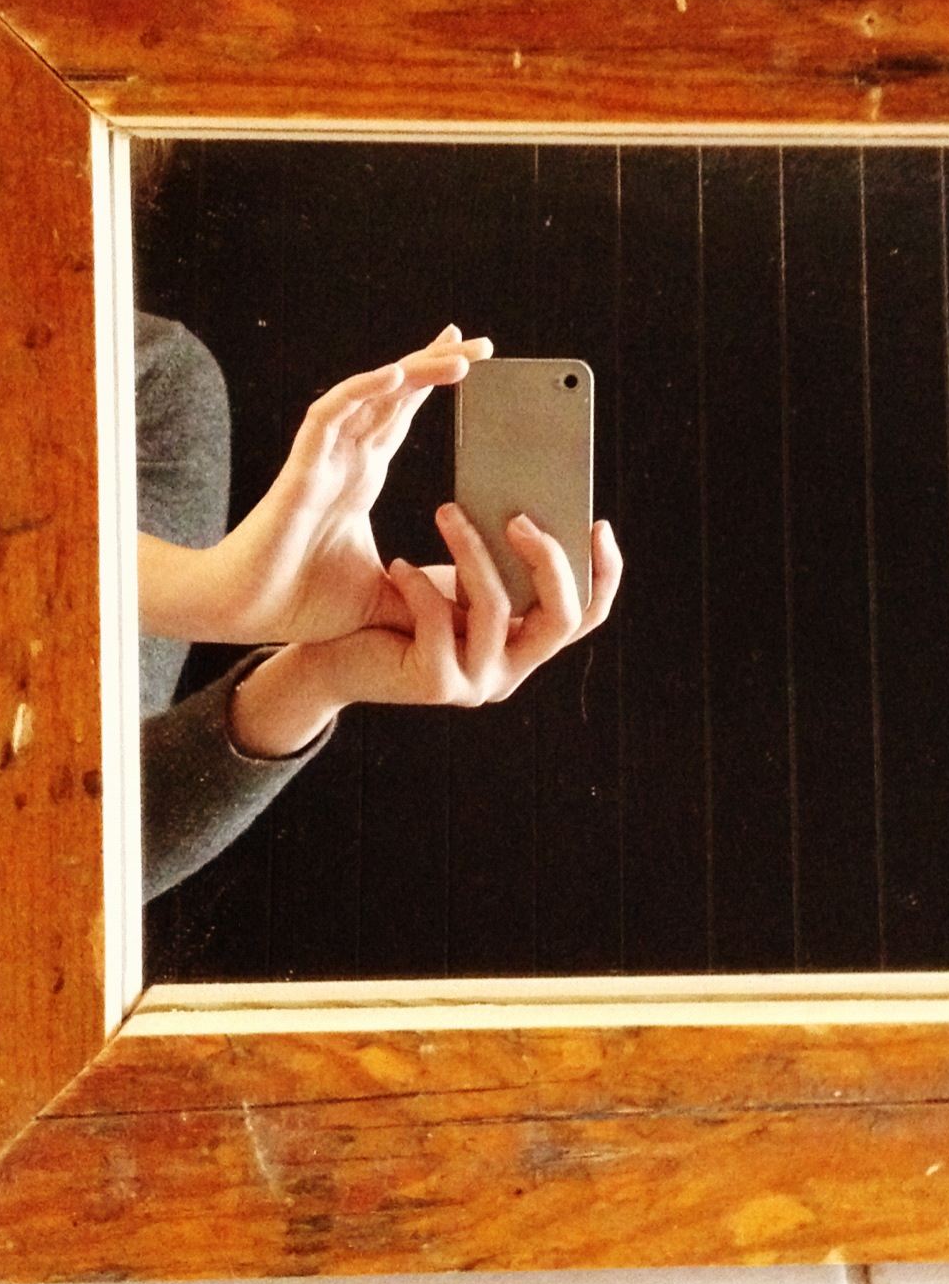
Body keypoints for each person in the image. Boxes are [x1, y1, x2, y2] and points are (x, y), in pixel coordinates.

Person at [135, 314, 622, 900]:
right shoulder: (159, 392)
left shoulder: (160, 400)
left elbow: (75, 846)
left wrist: (320, 673)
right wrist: (201, 593)